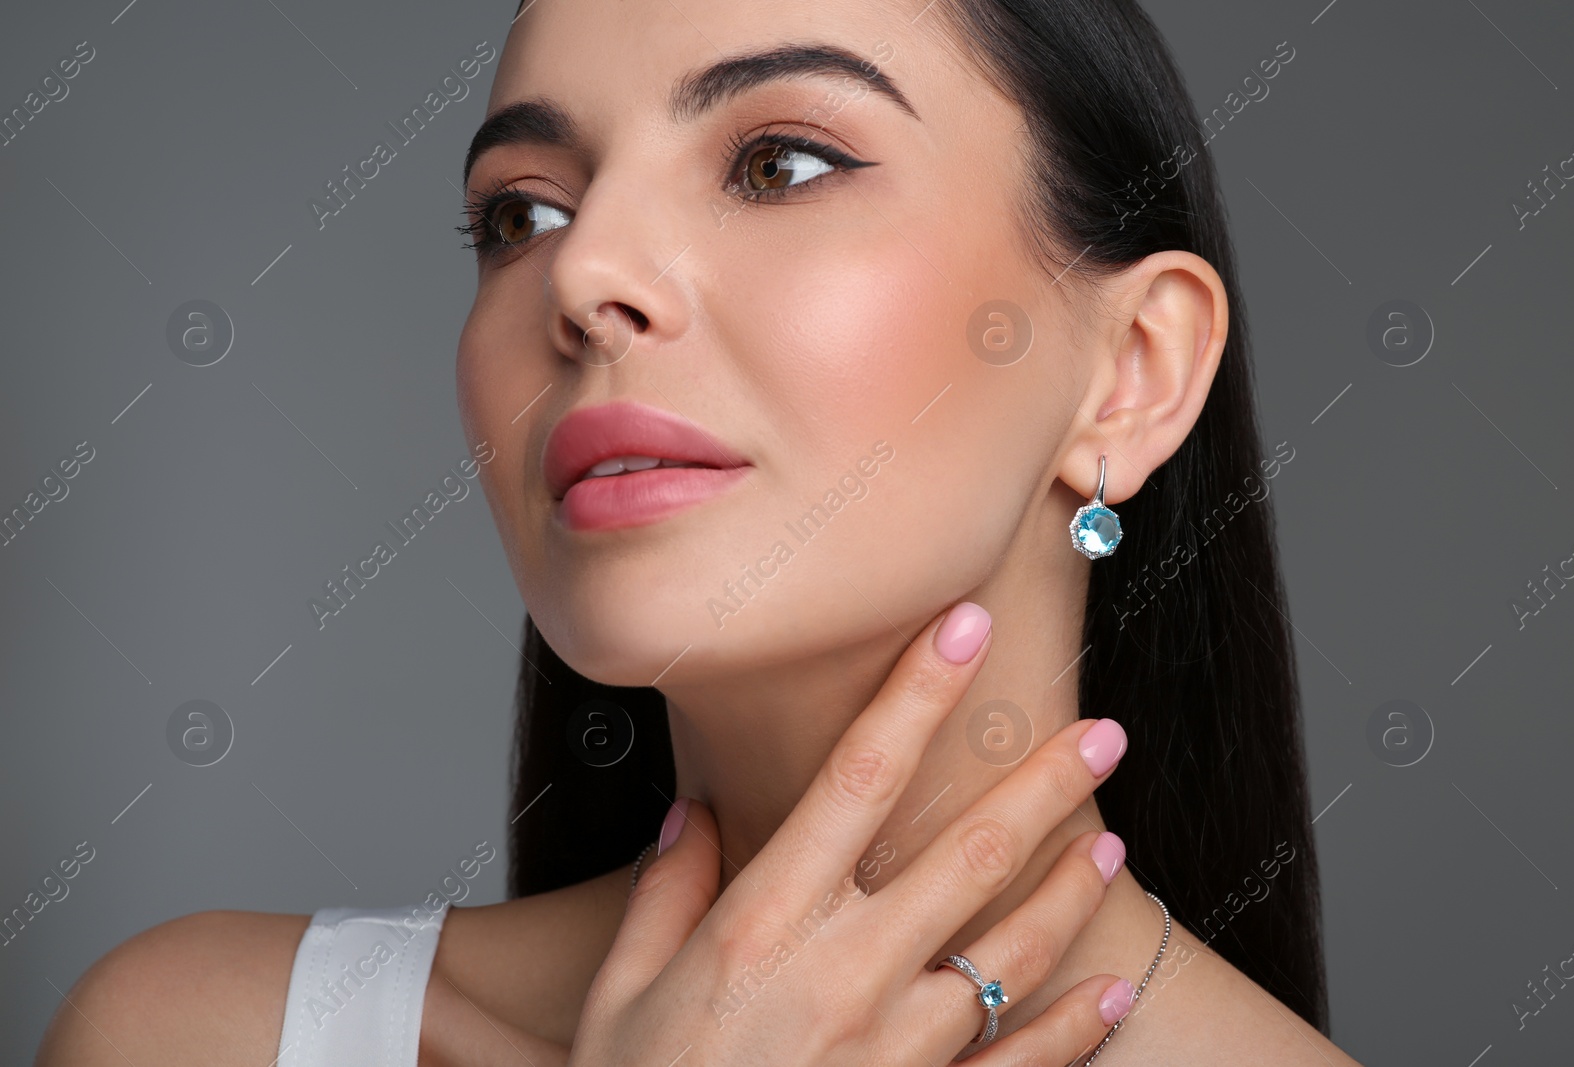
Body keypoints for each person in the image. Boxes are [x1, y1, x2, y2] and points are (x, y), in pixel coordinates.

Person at [36, 0, 1364, 1063]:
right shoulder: (211, 1038)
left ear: (1132, 369)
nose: (586, 271)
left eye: (777, 164)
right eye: (523, 212)